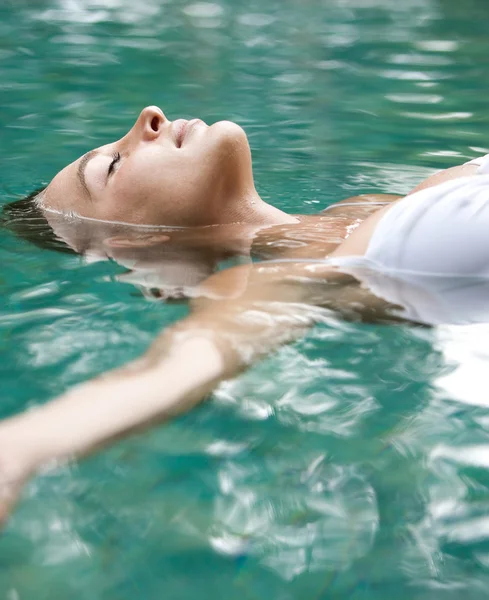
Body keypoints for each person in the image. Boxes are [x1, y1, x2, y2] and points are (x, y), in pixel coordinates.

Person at [2, 105, 489, 526]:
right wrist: (20, 450)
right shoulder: (286, 280)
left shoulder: (360, 210)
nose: (148, 117)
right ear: (136, 242)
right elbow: (177, 368)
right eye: (110, 167)